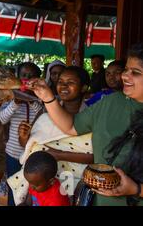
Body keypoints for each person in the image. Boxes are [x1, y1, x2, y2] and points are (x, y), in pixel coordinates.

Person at [26, 43, 143, 206]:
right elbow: (71, 127)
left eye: (135, 72)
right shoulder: (111, 102)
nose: (125, 76)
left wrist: (137, 189)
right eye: (126, 70)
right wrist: (47, 97)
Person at [9, 66, 94, 205]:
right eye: (60, 81)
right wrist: (24, 138)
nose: (64, 86)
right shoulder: (45, 114)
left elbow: (95, 155)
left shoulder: (91, 118)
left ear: (84, 87)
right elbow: (31, 147)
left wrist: (59, 155)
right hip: (39, 183)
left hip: (75, 184)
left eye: (70, 82)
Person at [0, 62, 43, 206]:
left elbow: (43, 115)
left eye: (31, 76)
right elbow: (1, 119)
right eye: (24, 76)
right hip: (13, 155)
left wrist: (31, 100)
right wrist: (16, 102)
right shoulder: (10, 98)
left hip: (33, 155)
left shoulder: (41, 99)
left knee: (31, 192)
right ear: (18, 78)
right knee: (14, 190)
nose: (27, 79)